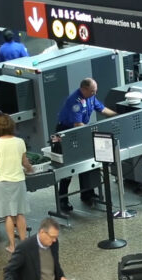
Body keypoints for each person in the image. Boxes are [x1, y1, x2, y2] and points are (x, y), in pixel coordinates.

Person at [55, 78, 117, 212]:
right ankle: (63, 200)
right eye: (93, 91)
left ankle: (87, 193)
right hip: (67, 133)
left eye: (95, 91)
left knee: (86, 162)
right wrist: (93, 133)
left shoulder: (90, 97)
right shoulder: (75, 101)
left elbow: (102, 109)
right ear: (84, 89)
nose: (95, 93)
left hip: (81, 131)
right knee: (70, 167)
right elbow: (77, 124)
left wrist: (117, 115)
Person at [0, 114, 32, 253]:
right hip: (18, 181)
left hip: (2, 182)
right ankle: (24, 245)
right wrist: (30, 168)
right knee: (20, 213)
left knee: (8, 215)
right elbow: (25, 162)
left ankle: (12, 246)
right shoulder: (20, 142)